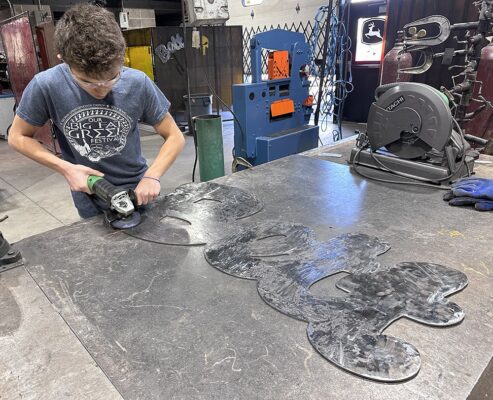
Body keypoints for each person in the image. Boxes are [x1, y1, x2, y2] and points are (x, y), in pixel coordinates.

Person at [8, 3, 185, 218]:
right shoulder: (46, 85)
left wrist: (153, 176)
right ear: (63, 59)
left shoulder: (138, 82)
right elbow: (17, 136)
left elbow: (175, 136)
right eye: (89, 82)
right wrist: (67, 169)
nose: (102, 89)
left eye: (112, 78)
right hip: (88, 193)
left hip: (138, 189)